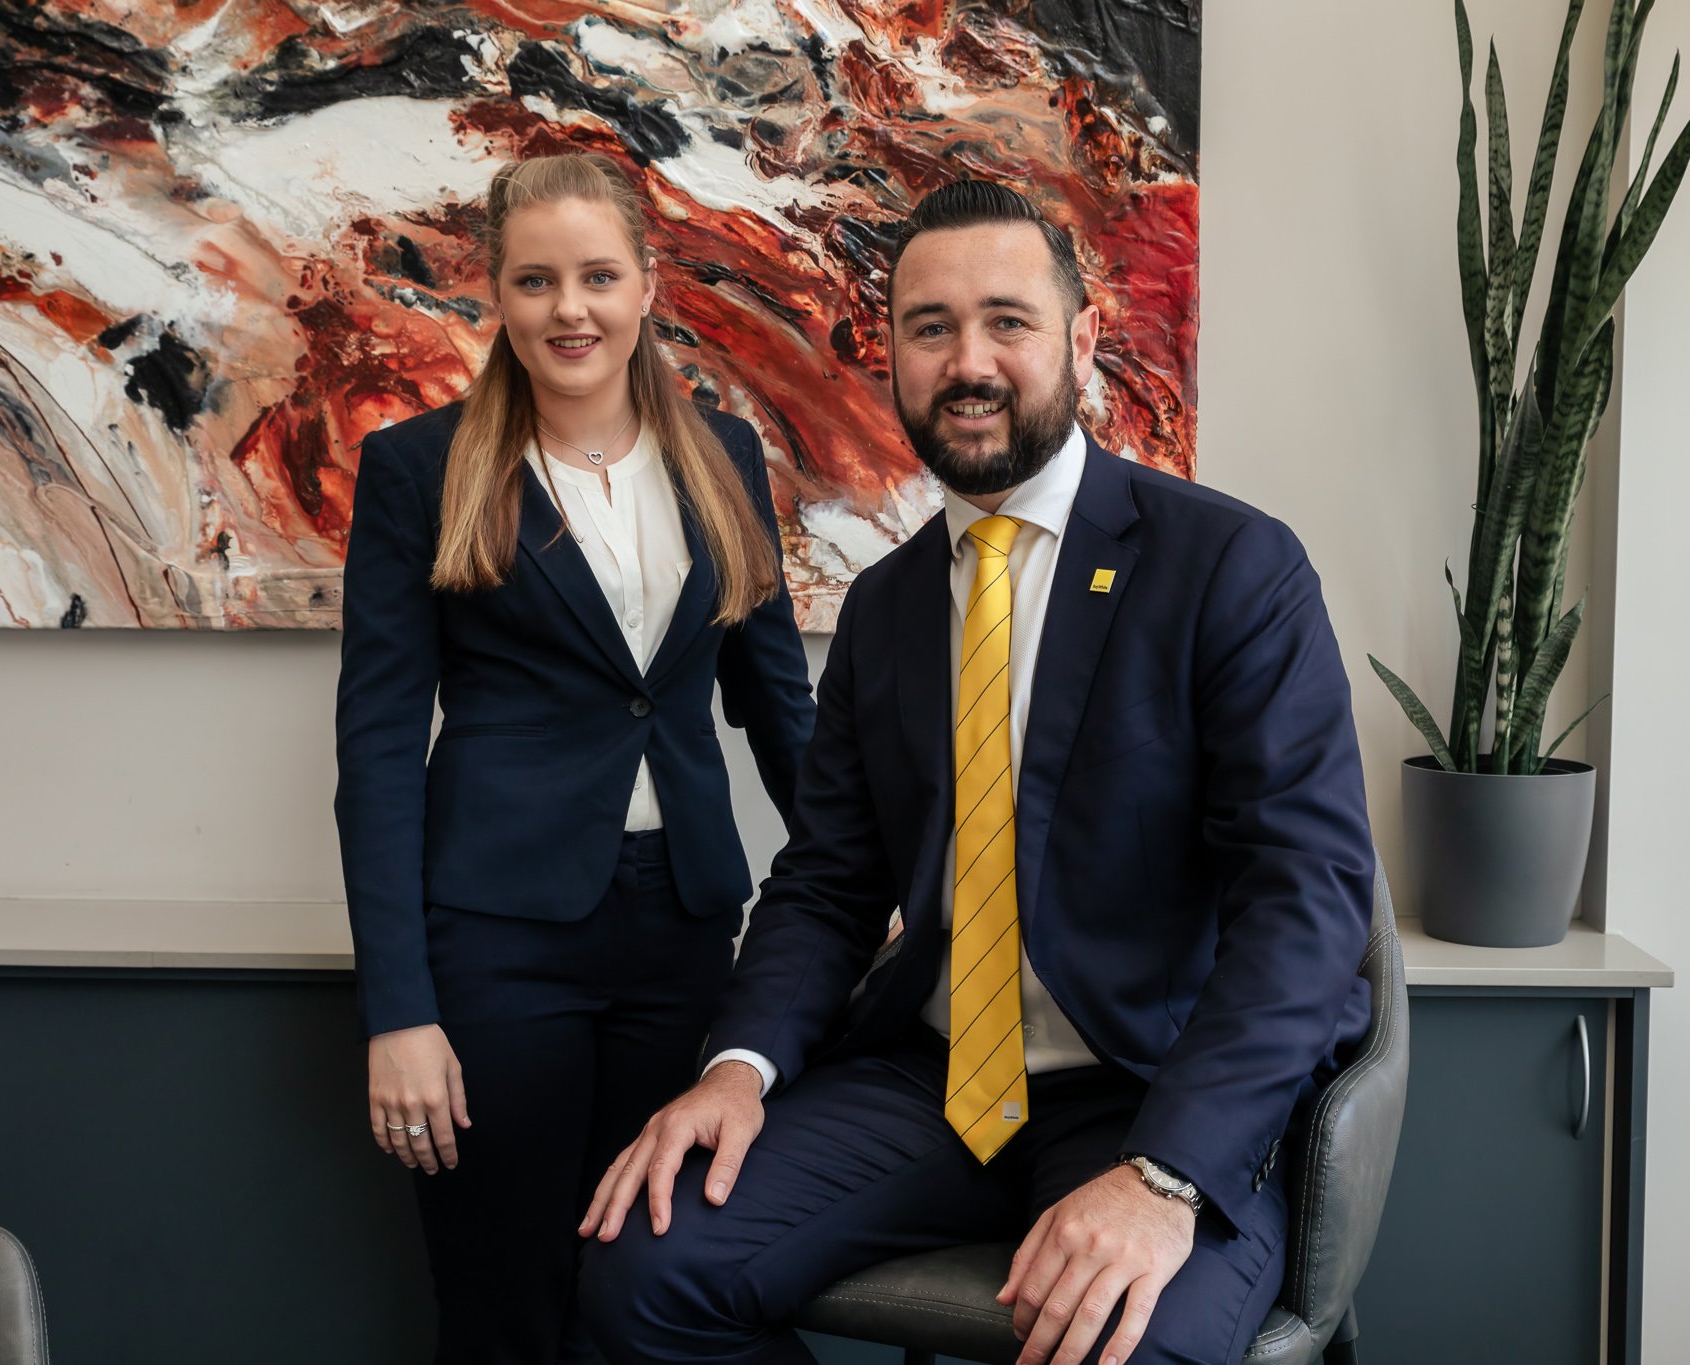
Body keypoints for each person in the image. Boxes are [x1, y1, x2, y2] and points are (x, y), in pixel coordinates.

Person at [576, 180, 1377, 1365]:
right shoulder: (885, 606)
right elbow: (828, 883)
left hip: (1153, 1087)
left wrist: (1165, 1175)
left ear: (1081, 340)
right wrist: (736, 1071)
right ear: (889, 355)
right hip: (934, 1083)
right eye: (930, 327)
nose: (968, 362)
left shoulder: (1230, 567)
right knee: (642, 1267)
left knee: (1116, 1344)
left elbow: (1303, 903)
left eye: (1007, 321)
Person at [334, 152, 815, 1364]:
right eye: (536, 280)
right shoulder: (419, 467)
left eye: (598, 276)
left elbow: (779, 708)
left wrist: (885, 883)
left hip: (686, 929)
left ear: (647, 285)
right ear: (494, 293)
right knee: (506, 1297)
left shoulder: (725, 456)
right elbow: (378, 749)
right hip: (497, 940)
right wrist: (399, 1011)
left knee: (651, 1283)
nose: (571, 309)